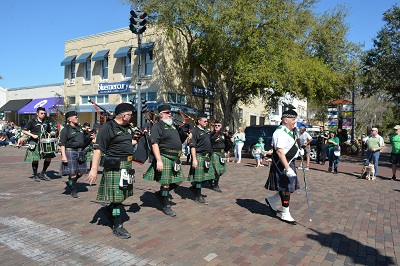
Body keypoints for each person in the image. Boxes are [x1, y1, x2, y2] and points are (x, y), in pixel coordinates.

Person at [87, 103, 136, 239]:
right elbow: (98, 149)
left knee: (123, 194)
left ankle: (109, 210)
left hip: (127, 165)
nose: (132, 117)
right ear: (124, 115)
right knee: (117, 198)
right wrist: (94, 169)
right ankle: (117, 226)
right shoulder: (107, 127)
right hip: (115, 166)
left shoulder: (127, 127)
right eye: (130, 115)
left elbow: (126, 140)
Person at [143, 104, 187, 217]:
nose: (170, 114)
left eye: (170, 112)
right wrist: (159, 160)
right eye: (167, 112)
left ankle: (161, 194)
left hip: (175, 158)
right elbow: (154, 143)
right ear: (161, 114)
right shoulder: (157, 126)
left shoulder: (172, 126)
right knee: (166, 183)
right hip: (165, 157)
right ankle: (166, 205)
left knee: (179, 180)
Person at [265, 109, 300, 225]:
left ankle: (272, 200)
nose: (295, 121)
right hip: (283, 164)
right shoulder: (279, 132)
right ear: (285, 120)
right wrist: (288, 168)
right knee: (286, 189)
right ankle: (285, 214)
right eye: (293, 119)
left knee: (290, 189)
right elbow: (280, 151)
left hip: (289, 163)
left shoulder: (288, 131)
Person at [59, 111, 92, 198]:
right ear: (70, 119)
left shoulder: (80, 128)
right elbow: (62, 143)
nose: (77, 118)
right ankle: (73, 190)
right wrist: (63, 155)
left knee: (82, 171)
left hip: (80, 151)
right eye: (75, 117)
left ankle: (71, 182)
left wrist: (89, 138)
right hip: (70, 151)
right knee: (72, 173)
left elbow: (83, 142)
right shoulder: (66, 129)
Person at [22, 107, 56, 182]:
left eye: (44, 113)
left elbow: (49, 131)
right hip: (34, 142)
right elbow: (24, 130)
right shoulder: (32, 121)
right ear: (37, 113)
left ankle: (43, 173)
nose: (43, 114)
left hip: (44, 143)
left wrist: (52, 132)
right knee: (35, 159)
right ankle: (35, 175)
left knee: (49, 157)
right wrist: (32, 135)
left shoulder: (46, 122)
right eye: (41, 113)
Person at [188, 113, 214, 204]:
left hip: (206, 156)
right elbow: (192, 146)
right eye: (205, 121)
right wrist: (194, 159)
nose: (206, 122)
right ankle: (198, 196)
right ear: (199, 121)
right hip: (199, 156)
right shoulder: (195, 131)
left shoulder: (206, 130)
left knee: (208, 176)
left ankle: (194, 188)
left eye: (207, 121)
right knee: (199, 178)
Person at [209, 120, 227, 192]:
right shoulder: (212, 134)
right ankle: (216, 185)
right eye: (215, 125)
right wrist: (214, 140)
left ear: (221, 126)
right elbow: (209, 141)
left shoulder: (223, 134)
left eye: (218, 125)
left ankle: (211, 180)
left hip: (222, 154)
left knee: (222, 170)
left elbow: (227, 142)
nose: (217, 127)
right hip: (214, 153)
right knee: (217, 170)